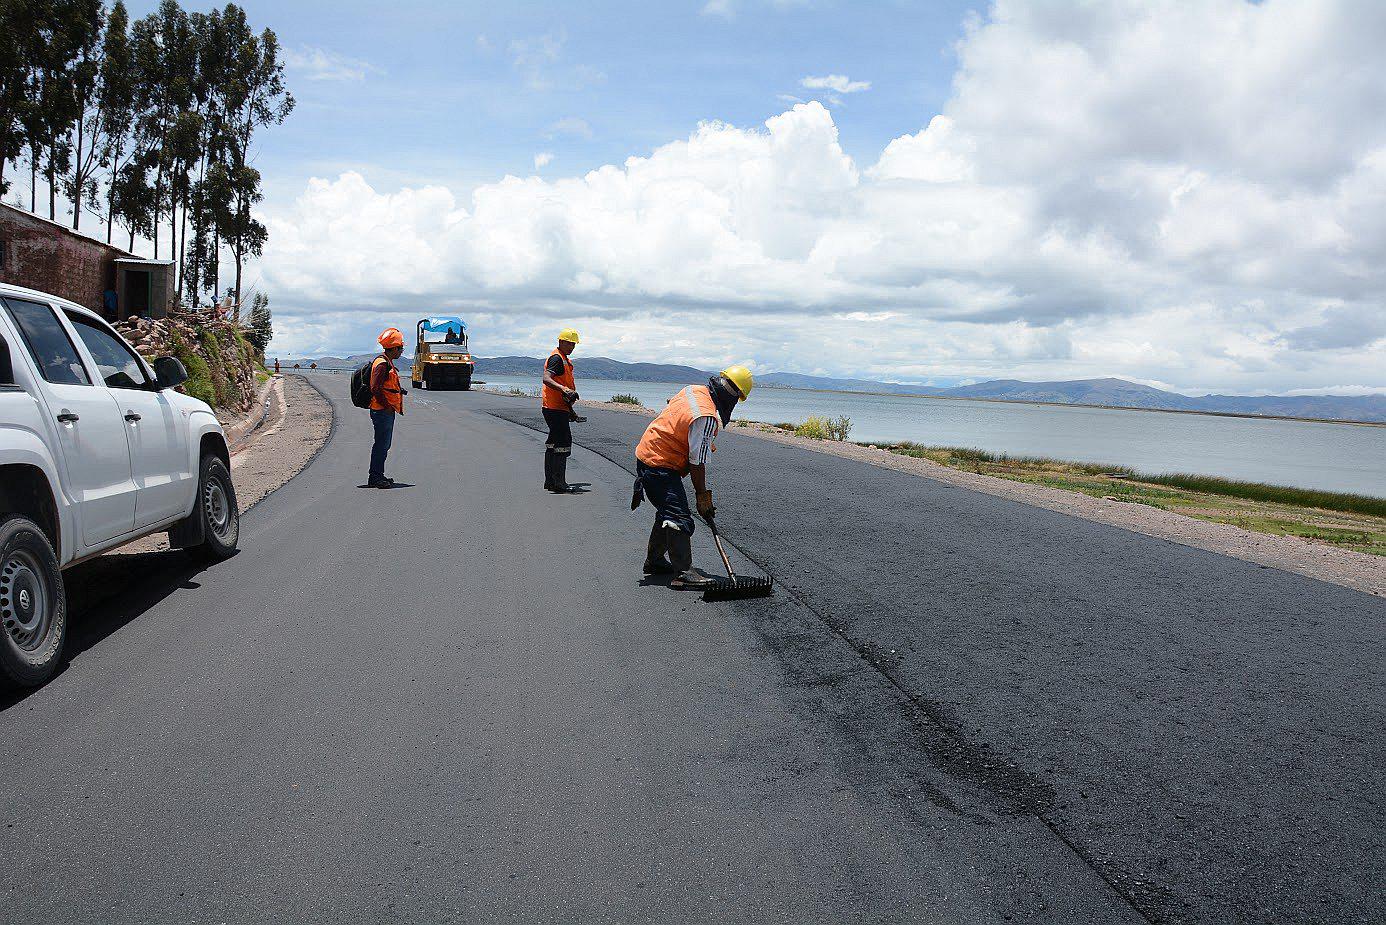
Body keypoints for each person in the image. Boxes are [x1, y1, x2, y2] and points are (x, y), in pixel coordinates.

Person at [632, 365, 753, 589]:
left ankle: (655, 561)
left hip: (648, 452)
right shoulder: (705, 416)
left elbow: (673, 411)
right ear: (734, 396)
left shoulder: (694, 390)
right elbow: (697, 460)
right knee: (679, 516)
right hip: (659, 463)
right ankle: (683, 573)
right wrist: (702, 495)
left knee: (668, 510)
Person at [541, 328, 582, 493]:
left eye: (574, 344)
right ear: (561, 342)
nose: (572, 347)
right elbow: (546, 378)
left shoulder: (562, 358)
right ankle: (560, 483)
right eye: (570, 343)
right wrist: (564, 389)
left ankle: (550, 481)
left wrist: (570, 411)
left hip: (555, 408)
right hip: (555, 409)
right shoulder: (557, 359)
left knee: (552, 443)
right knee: (563, 443)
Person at [368, 327, 407, 488]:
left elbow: (385, 385)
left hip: (383, 411)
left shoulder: (384, 361)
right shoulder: (382, 364)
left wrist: (399, 391)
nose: (402, 351)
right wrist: (387, 406)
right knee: (382, 444)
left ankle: (378, 475)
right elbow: (375, 388)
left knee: (383, 444)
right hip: (382, 411)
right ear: (395, 348)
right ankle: (376, 477)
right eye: (401, 348)